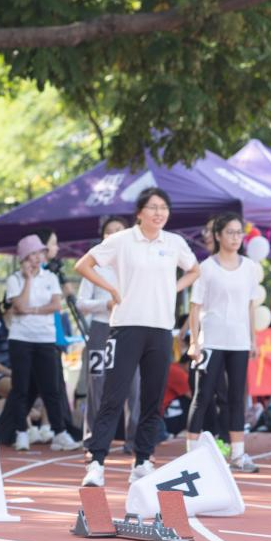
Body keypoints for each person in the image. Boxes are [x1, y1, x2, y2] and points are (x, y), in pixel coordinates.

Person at [74, 187, 199, 485]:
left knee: (152, 399)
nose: (159, 213)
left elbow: (194, 270)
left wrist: (173, 288)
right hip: (126, 326)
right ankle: (97, 462)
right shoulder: (122, 240)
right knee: (113, 396)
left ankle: (143, 460)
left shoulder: (174, 242)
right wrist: (111, 289)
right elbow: (83, 265)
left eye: (163, 207)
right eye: (153, 207)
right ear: (140, 212)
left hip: (160, 329)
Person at [186, 212, 261, 473]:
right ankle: (191, 455)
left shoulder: (249, 267)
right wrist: (194, 342)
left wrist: (253, 339)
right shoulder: (206, 267)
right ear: (218, 235)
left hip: (239, 341)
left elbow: (250, 306)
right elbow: (194, 307)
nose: (236, 237)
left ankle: (238, 455)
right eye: (230, 232)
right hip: (211, 340)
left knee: (236, 397)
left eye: (239, 232)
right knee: (203, 395)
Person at [0, 235, 83, 452]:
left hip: (45, 338)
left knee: (51, 388)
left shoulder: (50, 277)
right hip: (20, 339)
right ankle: (21, 432)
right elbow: (19, 305)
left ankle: (59, 432)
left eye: (40, 253)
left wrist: (32, 310)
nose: (37, 258)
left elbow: (55, 305)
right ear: (24, 257)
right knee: (20, 388)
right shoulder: (15, 279)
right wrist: (28, 280)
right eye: (32, 254)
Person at [77, 216, 140, 453]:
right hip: (101, 329)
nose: (113, 235)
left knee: (133, 385)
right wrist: (105, 304)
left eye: (119, 230)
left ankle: (134, 440)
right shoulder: (93, 265)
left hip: (129, 329)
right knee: (97, 383)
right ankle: (93, 438)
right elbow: (81, 303)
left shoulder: (136, 265)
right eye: (109, 231)